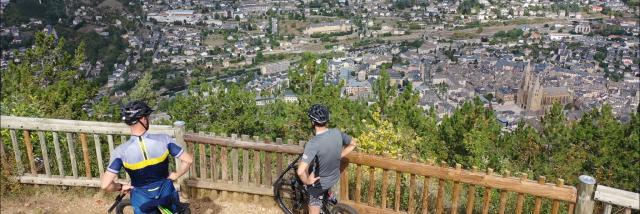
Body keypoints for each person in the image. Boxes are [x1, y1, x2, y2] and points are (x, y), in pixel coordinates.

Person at [100, 100, 193, 214]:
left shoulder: (120, 152)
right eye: (147, 117)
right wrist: (176, 175)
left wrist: (120, 187)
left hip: (141, 198)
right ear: (143, 119)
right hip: (166, 192)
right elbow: (188, 160)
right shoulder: (164, 140)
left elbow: (105, 185)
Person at [296, 104, 357, 214]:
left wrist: (307, 181)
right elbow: (353, 143)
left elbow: (300, 172)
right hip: (334, 176)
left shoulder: (313, 143)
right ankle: (328, 198)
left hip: (320, 183)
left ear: (312, 122)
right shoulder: (337, 132)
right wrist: (339, 155)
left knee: (312, 198)